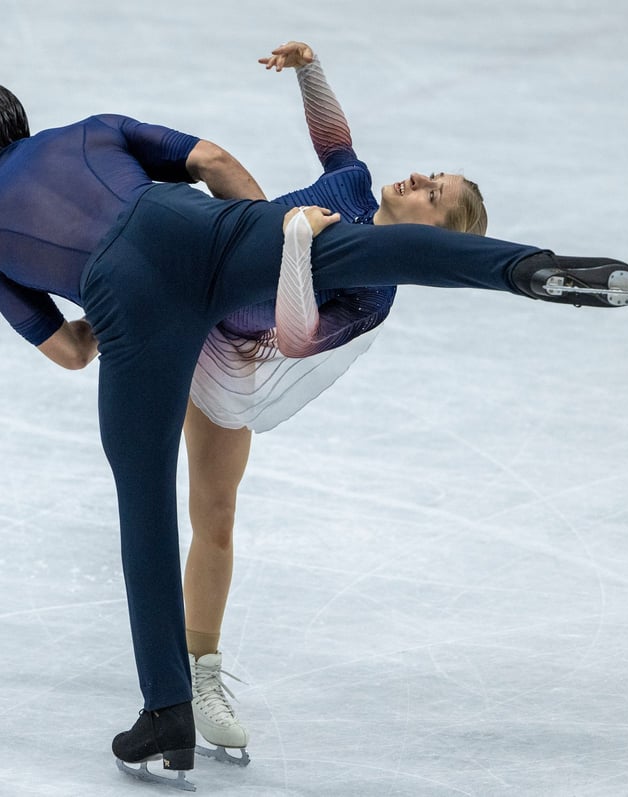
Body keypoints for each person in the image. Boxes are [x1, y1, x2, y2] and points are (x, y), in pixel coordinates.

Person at [0, 69, 628, 784]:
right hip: (204, 233)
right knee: (365, 252)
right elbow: (212, 162)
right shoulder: (91, 129)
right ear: (19, 120)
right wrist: (259, 235)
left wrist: (117, 307)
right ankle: (530, 268)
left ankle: (167, 714)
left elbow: (70, 352)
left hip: (133, 309)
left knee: (143, 501)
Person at [181, 40, 491, 762]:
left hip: (225, 350)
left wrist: (296, 244)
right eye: (432, 175)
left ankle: (202, 675)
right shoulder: (353, 188)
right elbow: (336, 141)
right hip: (184, 278)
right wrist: (311, 69)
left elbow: (294, 336)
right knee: (111, 280)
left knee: (216, 514)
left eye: (432, 192)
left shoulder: (372, 294)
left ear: (428, 234)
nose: (417, 177)